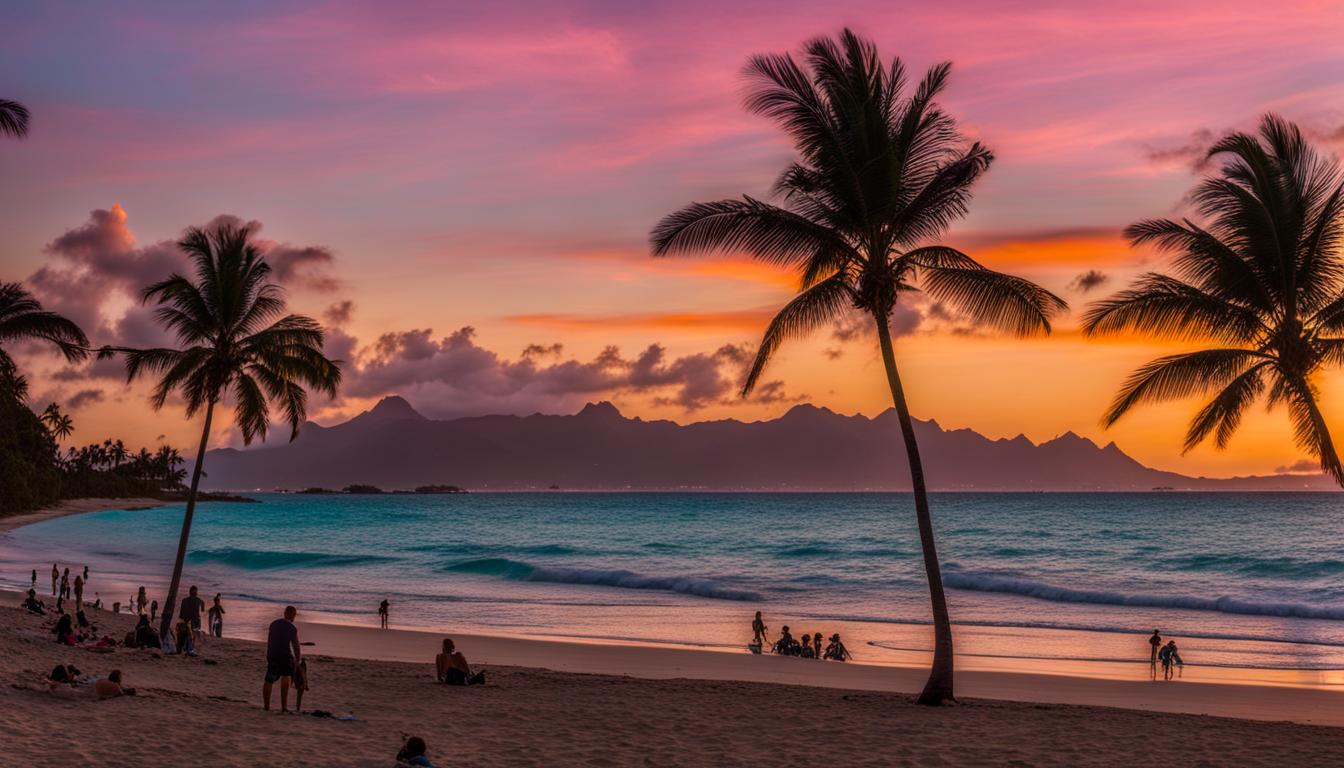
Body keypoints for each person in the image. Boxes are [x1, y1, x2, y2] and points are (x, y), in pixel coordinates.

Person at [263, 606, 301, 712]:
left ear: (285, 613)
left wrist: (269, 655)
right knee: (286, 676)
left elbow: (270, 641)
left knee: (269, 679)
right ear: (293, 615)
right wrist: (297, 660)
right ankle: (284, 707)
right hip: (284, 655)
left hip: (272, 654)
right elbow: (296, 646)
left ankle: (266, 706)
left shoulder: (273, 624)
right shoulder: (292, 628)